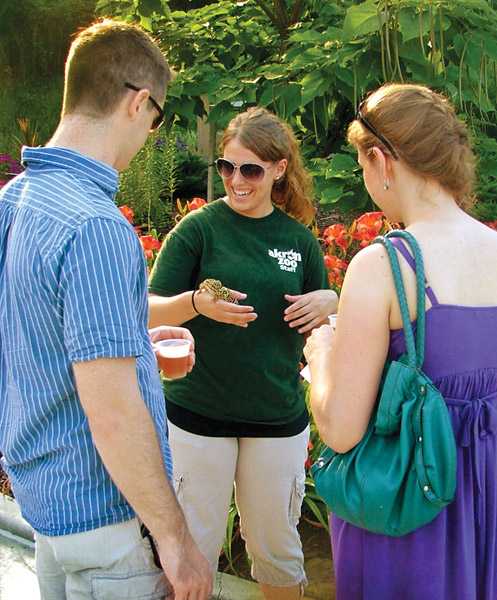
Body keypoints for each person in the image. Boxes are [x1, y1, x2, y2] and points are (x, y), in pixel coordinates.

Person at [0, 20, 213, 600]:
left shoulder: (16, 200)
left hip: (44, 503)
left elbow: (35, 331)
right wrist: (175, 540)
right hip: (107, 521)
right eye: (159, 116)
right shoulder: (95, 225)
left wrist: (141, 341)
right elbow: (113, 410)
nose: (151, 130)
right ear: (138, 102)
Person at [304, 83, 497, 600]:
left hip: (404, 521)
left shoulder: (383, 264)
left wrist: (321, 356)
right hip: (480, 522)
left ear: (382, 160)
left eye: (364, 164)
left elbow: (340, 429)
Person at [147, 106, 338, 600]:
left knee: (277, 552)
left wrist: (332, 300)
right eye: (227, 167)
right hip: (197, 414)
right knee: (194, 549)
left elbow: (329, 325)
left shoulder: (299, 241)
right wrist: (195, 304)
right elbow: (144, 310)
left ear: (279, 169)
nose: (236, 179)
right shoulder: (199, 230)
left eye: (250, 169)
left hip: (276, 419)